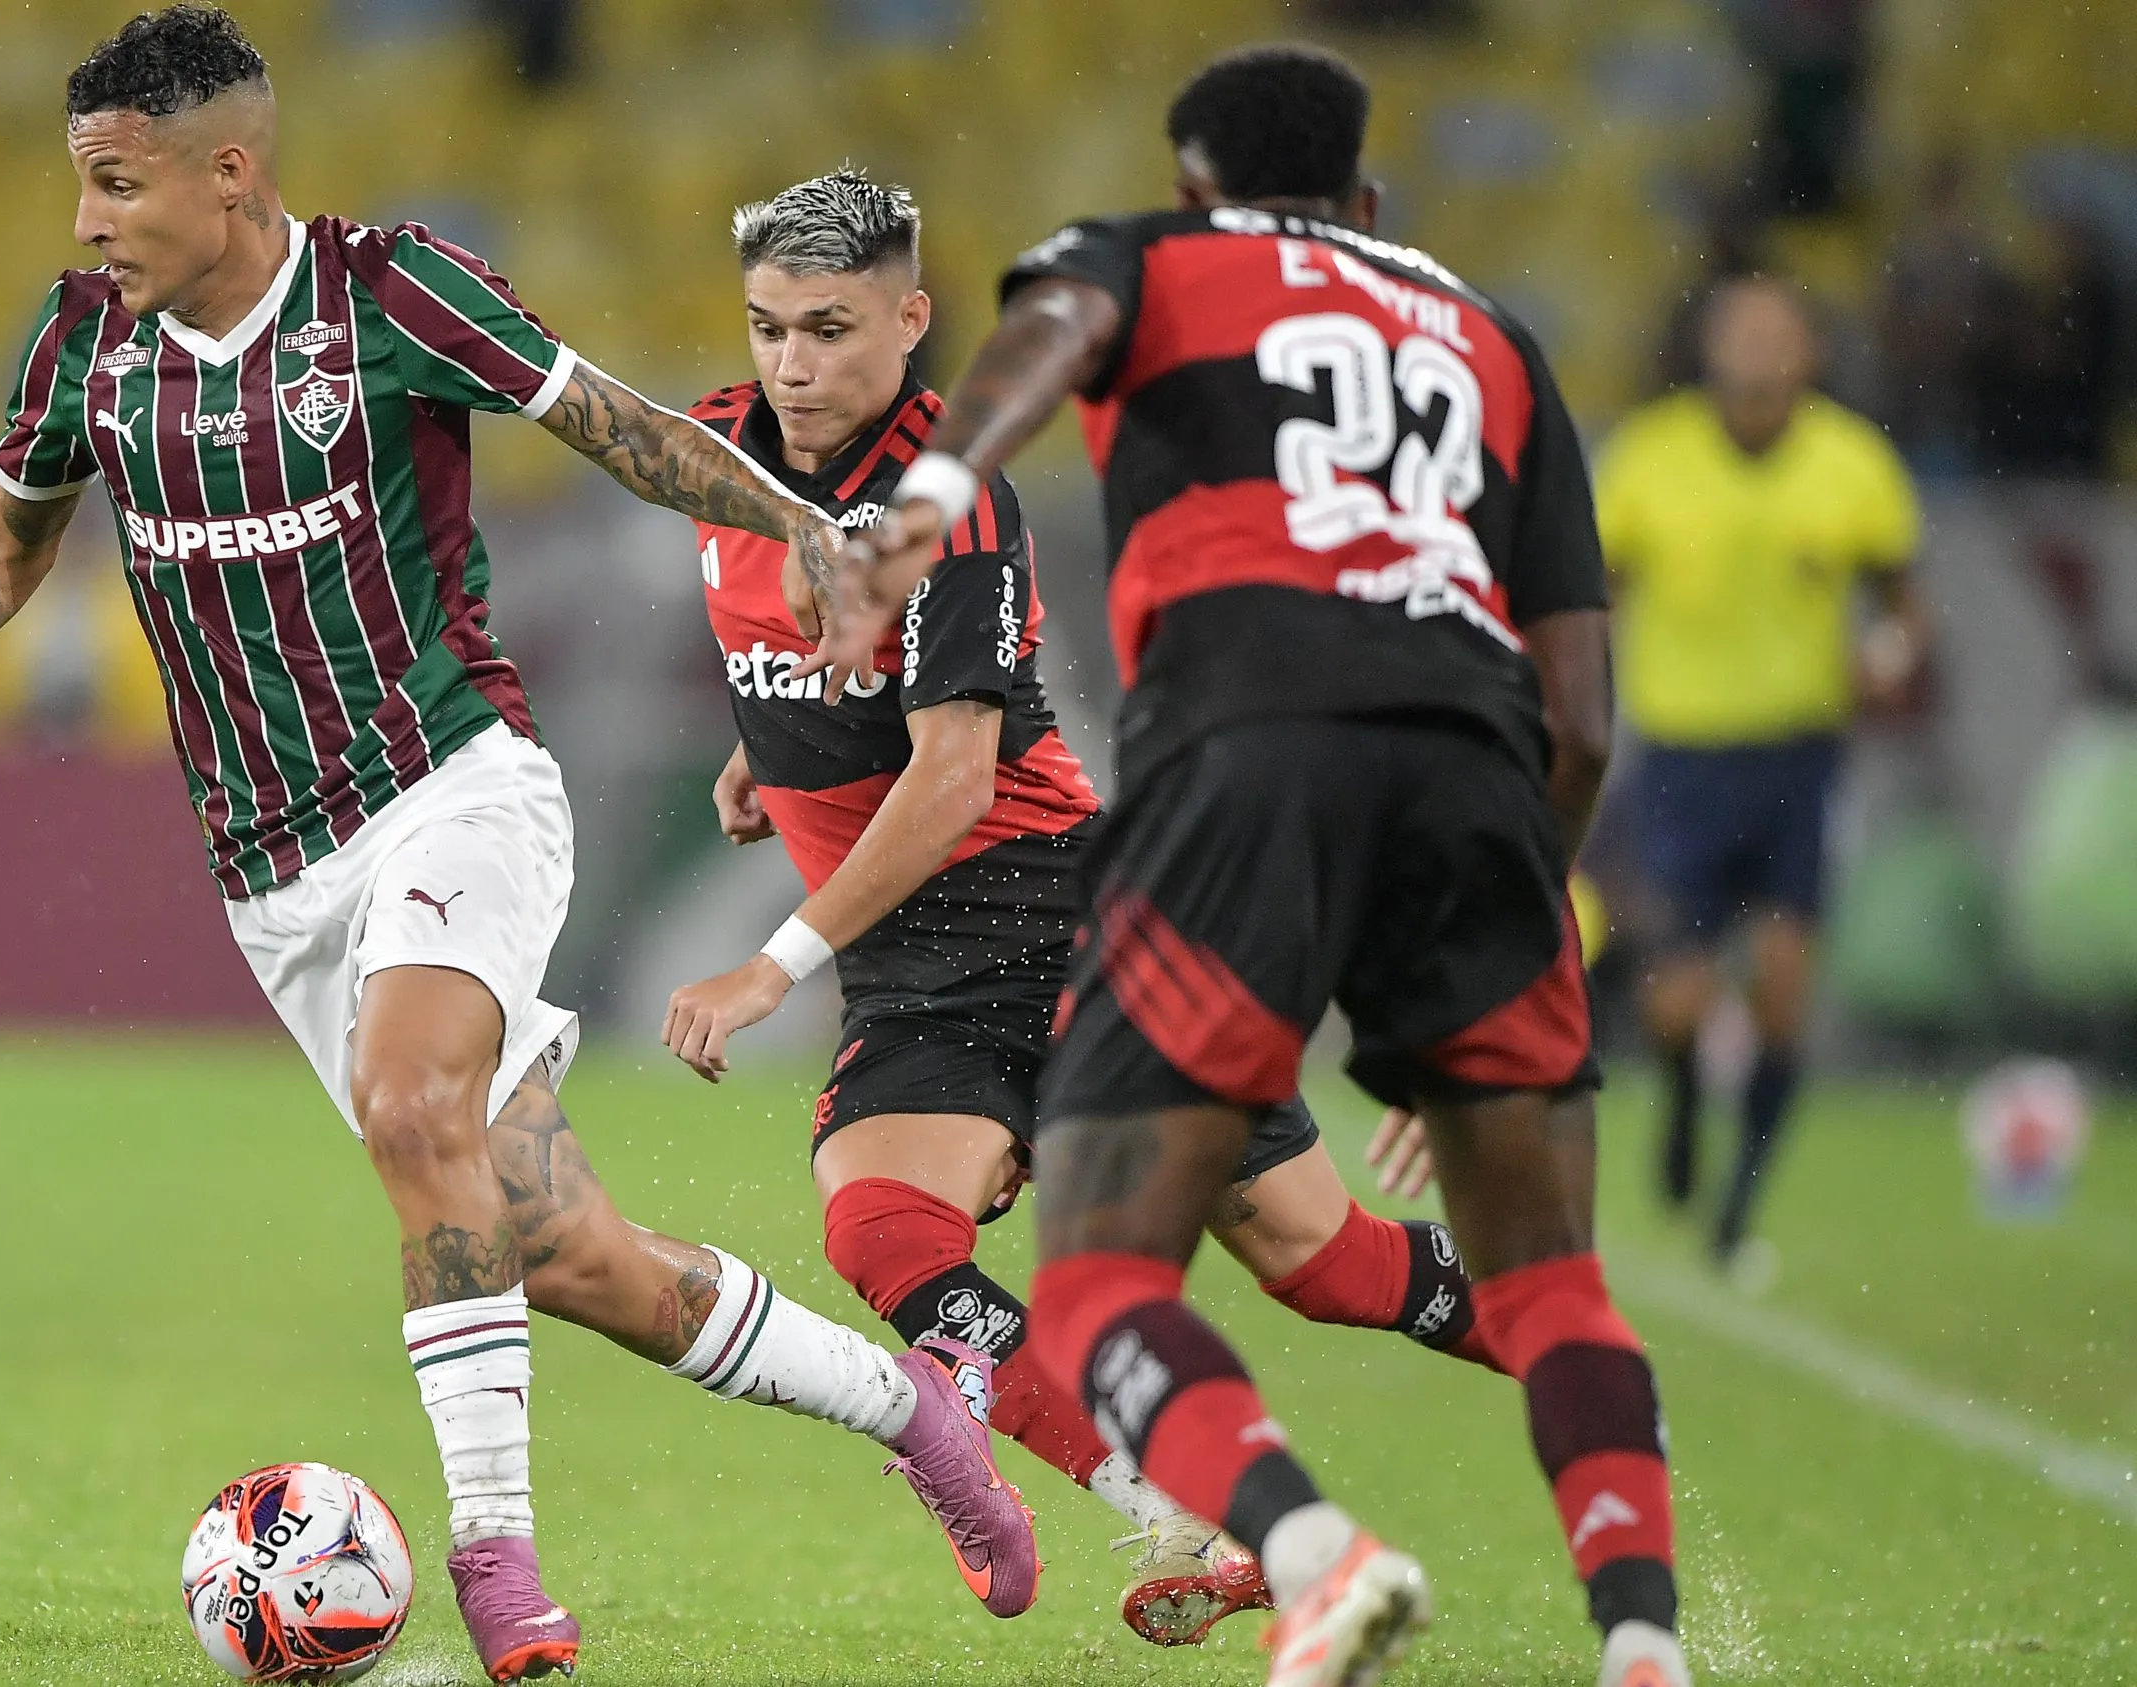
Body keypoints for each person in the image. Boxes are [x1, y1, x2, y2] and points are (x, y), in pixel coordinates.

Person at [0, 9, 1032, 1680]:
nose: (87, 222)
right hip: (277, 876)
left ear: (228, 173)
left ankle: (495, 1564)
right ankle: (910, 1410)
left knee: (417, 1108)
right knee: (570, 1256)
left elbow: (617, 424)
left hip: (452, 780)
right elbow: (3, 550)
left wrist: (808, 533)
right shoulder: (79, 349)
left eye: (116, 187)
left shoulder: (387, 292)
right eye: (81, 188)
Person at [814, 44, 1687, 1687]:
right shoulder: (1492, 340)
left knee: (1097, 1271)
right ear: (1364, 201)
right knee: (1551, 1279)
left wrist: (934, 486)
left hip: (1245, 754)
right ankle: (1645, 1647)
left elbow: (1053, 332)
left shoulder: (1152, 256)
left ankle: (1309, 1546)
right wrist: (1500, 952)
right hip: (1476, 780)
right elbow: (1579, 714)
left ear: (1193, 184)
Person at [658, 167, 1512, 1649]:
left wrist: (766, 966)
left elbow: (953, 781)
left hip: (1048, 907)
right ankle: (1198, 1510)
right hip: (924, 954)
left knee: (1328, 1265)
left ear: (914, 321)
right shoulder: (720, 452)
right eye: (771, 326)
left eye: (833, 329)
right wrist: (767, 745)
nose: (794, 365)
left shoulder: (953, 496)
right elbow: (799, 647)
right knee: (886, 1227)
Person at [1598, 275, 1930, 1273]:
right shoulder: (1651, 459)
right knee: (1674, 1000)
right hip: (1684, 761)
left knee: (1785, 987)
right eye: (1739, 330)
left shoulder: (1854, 465)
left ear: (1808, 353)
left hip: (1800, 757)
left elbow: (1905, 605)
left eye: (1775, 332)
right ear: (1709, 346)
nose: (1755, 349)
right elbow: (1593, 595)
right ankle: (1686, 1097)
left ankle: (1739, 1202)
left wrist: (1893, 655)